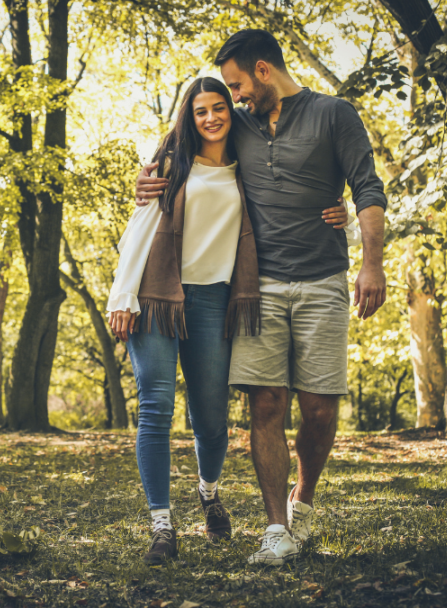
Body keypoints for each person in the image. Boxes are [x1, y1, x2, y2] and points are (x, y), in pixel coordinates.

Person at [135, 29, 387, 566]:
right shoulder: (238, 125)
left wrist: (371, 263)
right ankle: (275, 529)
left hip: (322, 279)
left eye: (239, 85)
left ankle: (304, 499)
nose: (234, 98)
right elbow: (182, 146)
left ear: (264, 71)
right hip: (256, 289)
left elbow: (367, 187)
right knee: (265, 403)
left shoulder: (334, 114)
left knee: (318, 410)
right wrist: (146, 179)